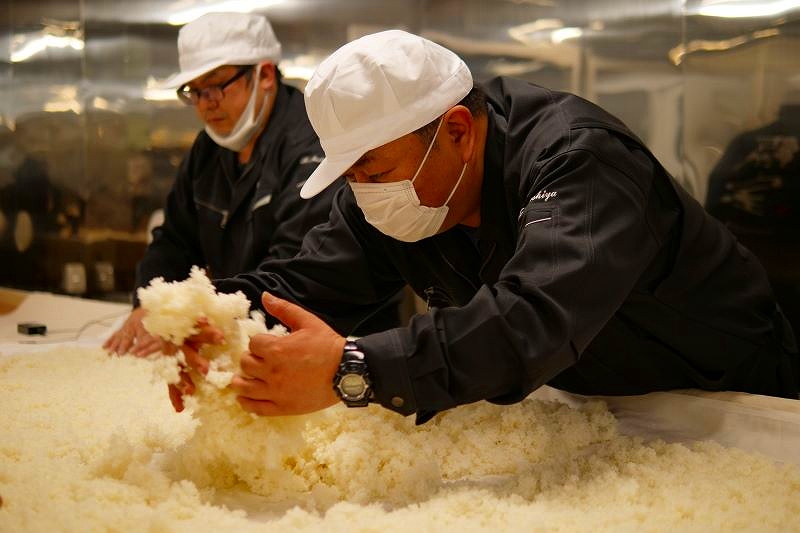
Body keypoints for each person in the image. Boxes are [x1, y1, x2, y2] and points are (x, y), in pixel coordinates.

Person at [170, 30, 798, 422]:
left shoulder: (579, 160)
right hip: (596, 411)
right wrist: (214, 319)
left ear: (457, 132)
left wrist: (354, 368)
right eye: (351, 175)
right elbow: (306, 285)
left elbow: (532, 318)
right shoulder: (388, 191)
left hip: (732, 407)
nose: (364, 192)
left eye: (374, 170)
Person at [105, 12, 349, 355]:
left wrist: (195, 316)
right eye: (195, 91)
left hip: (323, 340)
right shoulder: (209, 149)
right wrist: (150, 304)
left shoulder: (311, 146)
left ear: (265, 75)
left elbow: (293, 273)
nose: (207, 103)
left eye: (217, 85)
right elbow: (175, 240)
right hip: (236, 331)